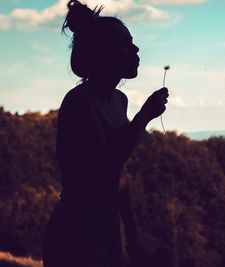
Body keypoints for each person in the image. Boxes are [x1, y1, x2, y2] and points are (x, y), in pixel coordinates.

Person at [41, 1, 169, 266]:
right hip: (76, 228)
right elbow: (104, 166)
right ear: (104, 53)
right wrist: (144, 116)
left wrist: (131, 231)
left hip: (106, 223)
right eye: (126, 43)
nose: (135, 48)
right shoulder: (80, 101)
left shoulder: (119, 100)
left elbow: (119, 176)